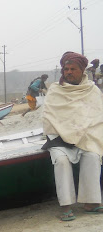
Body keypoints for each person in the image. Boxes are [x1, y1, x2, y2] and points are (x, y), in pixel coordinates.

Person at [42, 51, 103, 221]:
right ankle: (66, 206)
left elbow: (97, 116)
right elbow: (50, 117)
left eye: (73, 69)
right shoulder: (55, 90)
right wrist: (67, 134)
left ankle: (91, 202)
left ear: (82, 70)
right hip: (59, 139)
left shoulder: (92, 89)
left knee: (92, 156)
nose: (68, 72)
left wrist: (82, 134)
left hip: (86, 136)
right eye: (66, 69)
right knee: (61, 161)